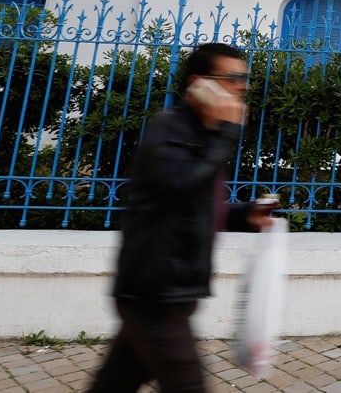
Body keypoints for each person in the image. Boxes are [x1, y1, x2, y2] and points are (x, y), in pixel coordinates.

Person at [88, 42, 274, 392]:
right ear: (197, 82)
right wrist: (227, 133)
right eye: (232, 78)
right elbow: (180, 184)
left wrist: (244, 215)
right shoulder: (169, 129)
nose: (242, 86)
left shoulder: (203, 134)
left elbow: (190, 203)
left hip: (168, 288)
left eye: (245, 78)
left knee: (115, 383)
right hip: (154, 292)